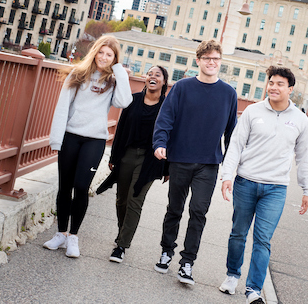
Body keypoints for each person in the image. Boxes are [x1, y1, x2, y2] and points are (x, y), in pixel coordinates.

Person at [219, 66, 308, 303]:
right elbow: (236, 145)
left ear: (290, 89)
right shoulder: (252, 111)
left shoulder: (300, 120)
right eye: (271, 82)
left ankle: (253, 290)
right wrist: (227, 175)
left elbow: (303, 157)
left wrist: (306, 189)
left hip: (276, 189)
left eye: (280, 84)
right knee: (238, 233)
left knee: (262, 239)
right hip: (246, 182)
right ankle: (232, 275)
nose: (273, 87)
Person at [152, 40, 237, 285]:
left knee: (198, 212)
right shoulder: (182, 88)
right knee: (174, 209)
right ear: (198, 60)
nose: (212, 62)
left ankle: (187, 262)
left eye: (216, 59)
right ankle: (167, 250)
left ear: (220, 62)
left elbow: (233, 134)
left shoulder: (228, 94)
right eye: (207, 58)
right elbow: (165, 118)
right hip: (180, 158)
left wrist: (230, 168)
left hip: (209, 164)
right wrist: (160, 143)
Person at [44, 35, 132, 258]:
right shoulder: (78, 74)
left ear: (114, 58)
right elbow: (62, 106)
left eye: (109, 55)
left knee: (81, 187)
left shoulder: (113, 80)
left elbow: (124, 102)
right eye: (101, 52)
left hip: (94, 140)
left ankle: (73, 237)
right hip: (70, 136)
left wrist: (120, 72)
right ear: (94, 52)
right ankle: (61, 234)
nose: (104, 57)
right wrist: (56, 139)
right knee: (65, 186)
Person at [96, 66, 169, 263]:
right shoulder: (132, 100)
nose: (152, 77)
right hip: (127, 154)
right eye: (150, 74)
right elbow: (121, 129)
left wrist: (167, 167)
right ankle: (123, 233)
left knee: (135, 200)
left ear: (164, 82)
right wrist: (114, 157)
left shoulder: (168, 106)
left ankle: (121, 246)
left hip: (150, 160)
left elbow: (172, 136)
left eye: (158, 75)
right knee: (122, 200)